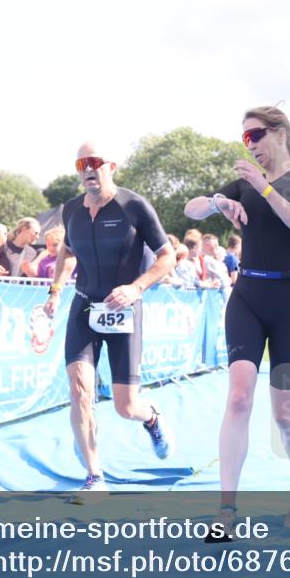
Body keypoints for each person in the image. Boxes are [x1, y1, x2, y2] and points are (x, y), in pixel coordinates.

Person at [184, 105, 290, 536]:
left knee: (285, 414)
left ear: (280, 133)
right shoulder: (245, 181)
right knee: (239, 398)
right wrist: (218, 201)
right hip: (248, 295)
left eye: (256, 136)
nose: (249, 145)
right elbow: (191, 209)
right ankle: (226, 510)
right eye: (244, 138)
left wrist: (264, 190)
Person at [44, 142, 176, 495]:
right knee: (80, 391)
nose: (88, 169)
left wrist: (137, 288)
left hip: (124, 311)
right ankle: (95, 476)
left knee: (125, 405)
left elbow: (168, 257)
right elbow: (67, 253)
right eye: (82, 163)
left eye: (95, 162)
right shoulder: (71, 209)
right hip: (85, 307)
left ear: (111, 166)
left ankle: (151, 417)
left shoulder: (134, 206)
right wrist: (55, 291)